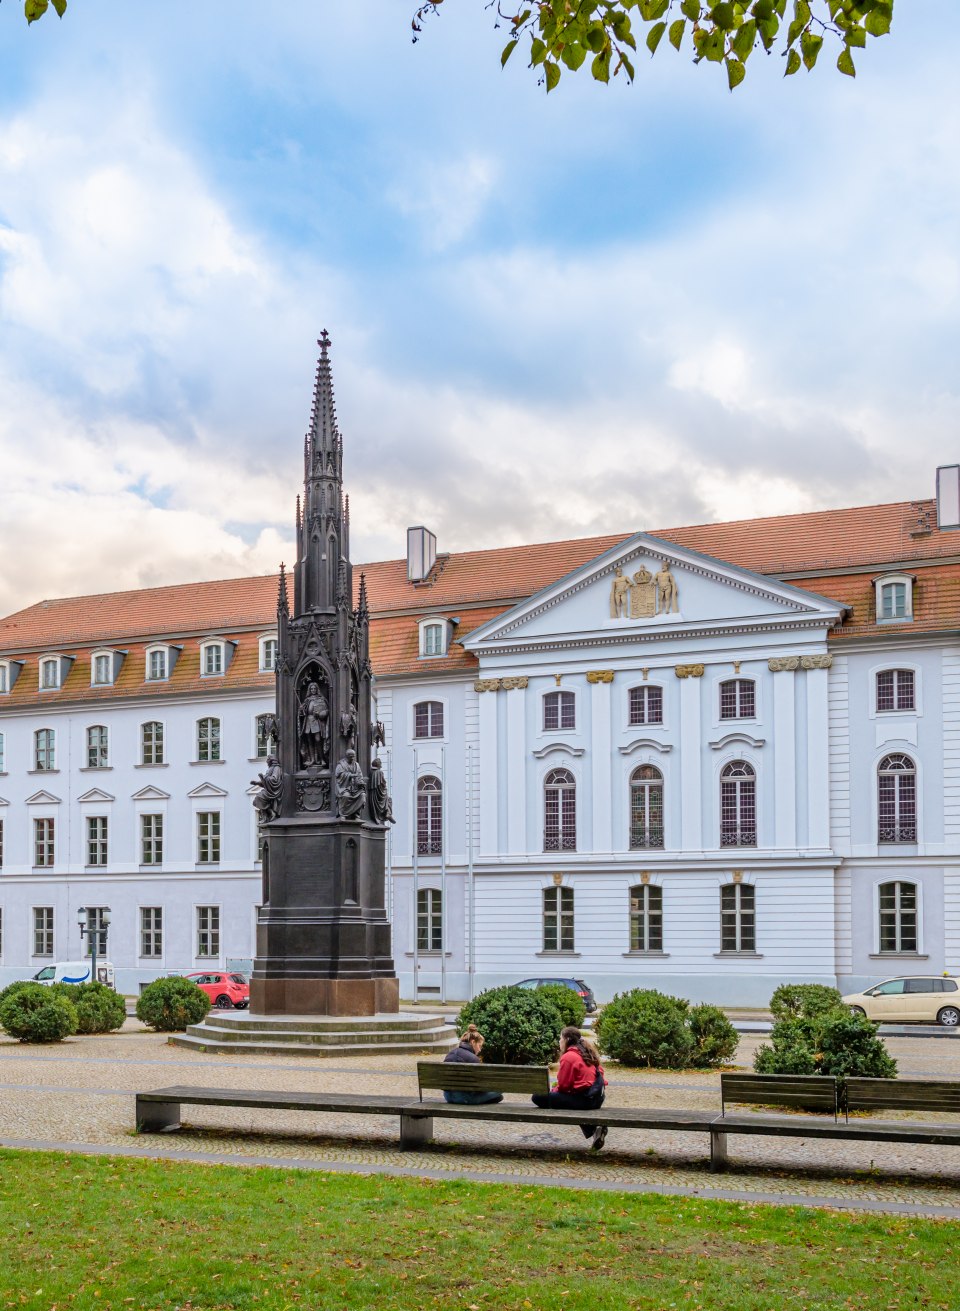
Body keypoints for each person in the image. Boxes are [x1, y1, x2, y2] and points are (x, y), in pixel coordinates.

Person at [531, 1025, 608, 1150]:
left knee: (537, 1097)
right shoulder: (586, 1051)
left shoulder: (568, 1056)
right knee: (570, 1102)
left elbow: (564, 1086)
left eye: (560, 1039)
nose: (559, 1042)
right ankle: (595, 1130)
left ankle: (595, 1129)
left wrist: (553, 1090)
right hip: (596, 1097)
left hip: (585, 1100)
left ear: (566, 1039)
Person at [441, 1024, 503, 1105]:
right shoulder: (473, 1059)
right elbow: (480, 1086)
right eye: (480, 1046)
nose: (480, 1049)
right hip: (466, 1099)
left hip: (448, 1096)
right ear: (473, 1042)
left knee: (496, 1097)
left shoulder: (450, 1054)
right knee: (499, 1092)